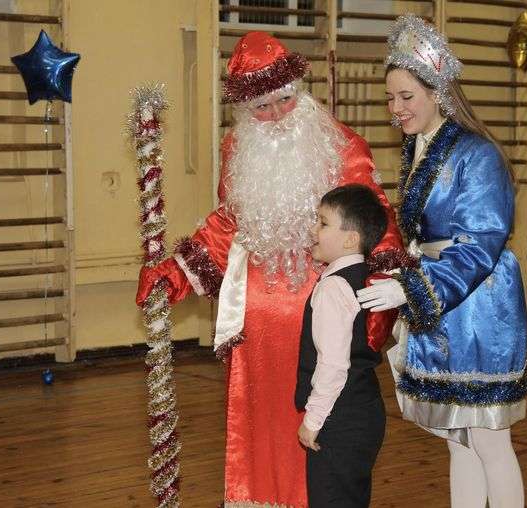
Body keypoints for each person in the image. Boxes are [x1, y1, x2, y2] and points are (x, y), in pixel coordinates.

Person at [135, 32, 404, 507]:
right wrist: (174, 274)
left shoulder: (343, 147)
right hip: (256, 335)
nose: (276, 115)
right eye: (261, 107)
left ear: (299, 89)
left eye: (283, 100)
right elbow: (225, 227)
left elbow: (378, 231)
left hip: (323, 328)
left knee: (321, 443)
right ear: (243, 110)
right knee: (261, 439)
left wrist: (374, 319)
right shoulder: (238, 150)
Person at [356, 14, 527, 508]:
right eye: (390, 98)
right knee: (460, 437)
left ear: (438, 92)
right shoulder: (420, 148)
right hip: (446, 301)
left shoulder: (477, 154)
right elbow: (423, 235)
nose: (396, 108)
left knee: (490, 439)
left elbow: (479, 245)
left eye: (406, 97)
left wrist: (410, 289)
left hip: (479, 305)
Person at [295, 184, 388, 508]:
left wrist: (313, 419)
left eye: (322, 223)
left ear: (350, 239)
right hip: (364, 410)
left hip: (341, 418)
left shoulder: (333, 288)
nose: (313, 229)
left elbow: (333, 364)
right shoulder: (364, 277)